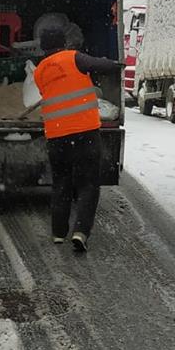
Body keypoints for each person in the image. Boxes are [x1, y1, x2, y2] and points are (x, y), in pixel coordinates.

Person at [32, 26, 123, 252]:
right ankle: (81, 232)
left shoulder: (39, 71)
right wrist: (116, 64)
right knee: (88, 184)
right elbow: (100, 66)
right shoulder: (75, 58)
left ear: (43, 46)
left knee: (61, 183)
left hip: (56, 136)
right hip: (84, 132)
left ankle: (58, 233)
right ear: (64, 42)